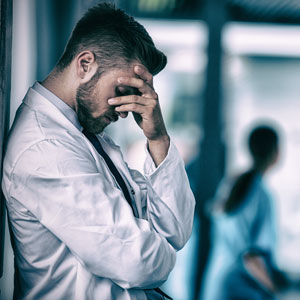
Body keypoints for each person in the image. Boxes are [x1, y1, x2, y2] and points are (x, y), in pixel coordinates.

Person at [1, 3, 195, 300]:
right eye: (122, 91)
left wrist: (157, 139)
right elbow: (139, 263)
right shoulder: (45, 149)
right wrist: (162, 250)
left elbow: (175, 231)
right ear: (85, 64)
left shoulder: (86, 137)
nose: (125, 110)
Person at [201, 124, 283, 300]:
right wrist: (275, 292)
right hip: (241, 288)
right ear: (275, 152)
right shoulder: (261, 195)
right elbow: (252, 258)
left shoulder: (230, 184)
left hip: (216, 283)